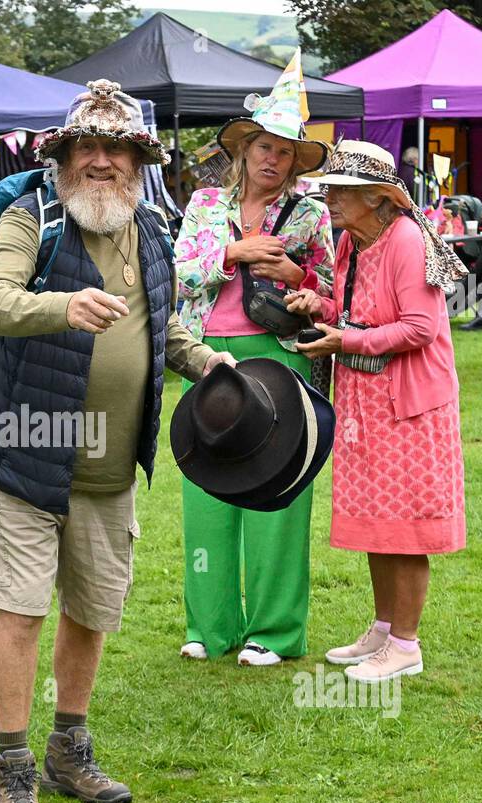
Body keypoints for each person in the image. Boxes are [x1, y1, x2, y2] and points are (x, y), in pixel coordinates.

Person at [0, 80, 234, 803]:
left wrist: (204, 360)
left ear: (138, 161)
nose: (102, 161)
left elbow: (165, 328)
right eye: (87, 147)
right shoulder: (34, 217)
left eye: (117, 149)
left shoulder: (153, 227)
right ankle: (13, 773)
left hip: (111, 469)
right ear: (62, 156)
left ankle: (69, 751)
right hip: (26, 455)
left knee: (91, 613)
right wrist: (63, 307)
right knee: (20, 611)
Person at [285, 140, 468, 683]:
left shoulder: (407, 240)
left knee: (406, 526)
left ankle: (406, 646)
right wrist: (316, 305)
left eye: (340, 191)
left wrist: (344, 341)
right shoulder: (351, 242)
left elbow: (420, 328)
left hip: (410, 405)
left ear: (377, 197)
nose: (331, 200)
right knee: (376, 523)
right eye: (330, 190)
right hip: (365, 401)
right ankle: (385, 630)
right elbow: (352, 310)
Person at [172, 62, 334, 666]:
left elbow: (333, 292)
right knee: (207, 492)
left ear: (296, 161)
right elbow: (179, 273)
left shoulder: (312, 214)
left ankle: (276, 632)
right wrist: (233, 252)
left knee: (278, 495)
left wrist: (300, 279)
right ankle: (210, 628)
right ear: (244, 149)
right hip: (208, 356)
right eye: (266, 147)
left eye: (287, 152)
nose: (275, 159)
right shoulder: (206, 205)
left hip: (281, 359)